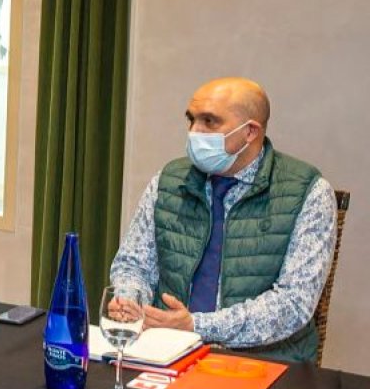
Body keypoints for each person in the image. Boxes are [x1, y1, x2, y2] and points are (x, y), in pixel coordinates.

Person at [110, 77, 336, 362]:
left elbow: (293, 304)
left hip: (264, 363)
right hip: (164, 351)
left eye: (209, 122)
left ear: (250, 132)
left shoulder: (309, 192)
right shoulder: (169, 180)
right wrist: (131, 300)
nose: (194, 132)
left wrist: (197, 326)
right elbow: (134, 263)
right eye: (191, 120)